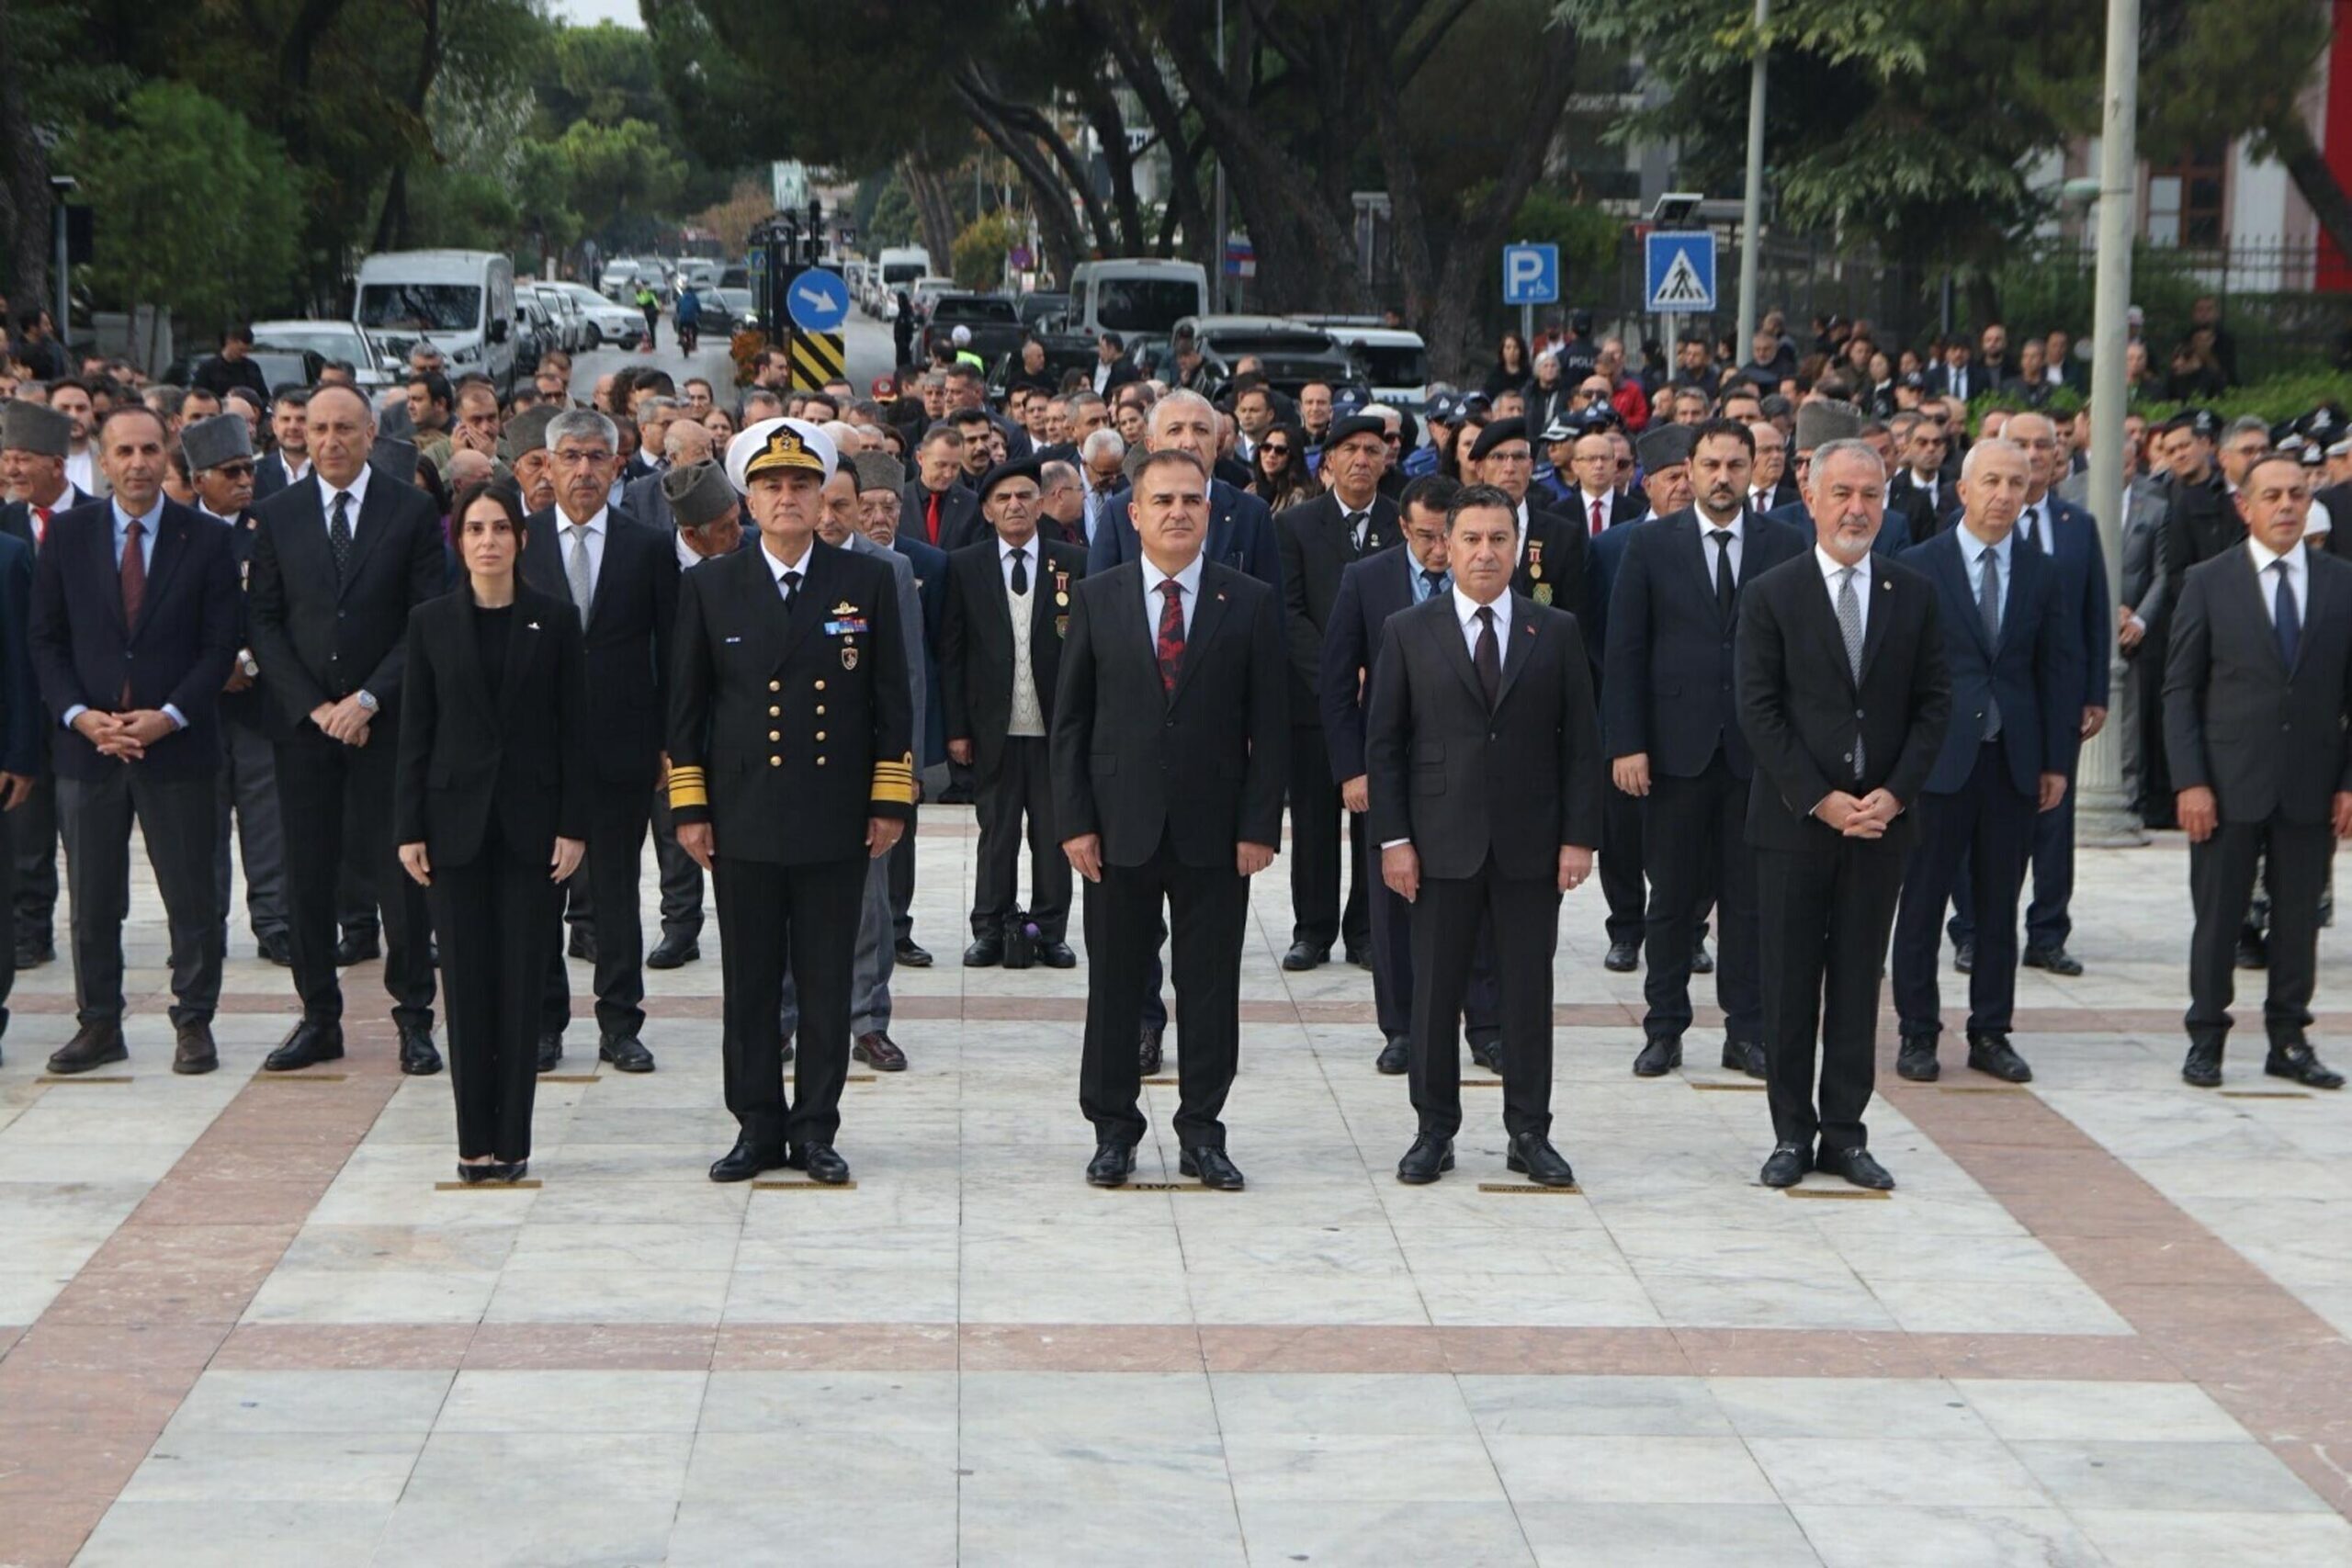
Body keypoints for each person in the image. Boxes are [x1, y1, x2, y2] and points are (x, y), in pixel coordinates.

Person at [670, 419, 914, 1185]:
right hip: (742, 814)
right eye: (772, 486)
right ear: (747, 499)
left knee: (824, 980)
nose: (787, 497)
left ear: (822, 499)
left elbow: (891, 701)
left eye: (802, 485)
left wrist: (889, 801)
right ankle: (755, 1124)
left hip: (833, 812)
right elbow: (685, 709)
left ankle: (815, 1128)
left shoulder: (864, 581)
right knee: (748, 981)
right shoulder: (710, 585)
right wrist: (690, 808)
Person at [1054, 448, 1285, 1190]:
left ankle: (1203, 1131)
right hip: (1117, 829)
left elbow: (1270, 726)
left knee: (1210, 986)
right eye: (1163, 500)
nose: (1178, 512)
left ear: (1210, 514)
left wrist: (1259, 825)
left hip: (1215, 832)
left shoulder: (1246, 600)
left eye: (1192, 500)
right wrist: (1075, 822)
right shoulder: (1098, 595)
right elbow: (1071, 724)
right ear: (1135, 513)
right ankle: (1113, 1129)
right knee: (1117, 986)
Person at [1368, 481, 1604, 1187]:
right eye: (1469, 538)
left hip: (1531, 845)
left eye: (1498, 538)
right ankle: (1433, 1128)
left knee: (1528, 993)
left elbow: (1582, 744)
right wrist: (1394, 839)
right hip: (1438, 844)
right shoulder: (1409, 630)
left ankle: (1529, 1129)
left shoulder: (1553, 629)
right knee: (1435, 993)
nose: (1483, 552)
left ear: (1517, 545)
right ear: (1445, 545)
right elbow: (1386, 744)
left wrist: (1578, 837)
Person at [1736, 439, 1951, 1190]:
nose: (1856, 508)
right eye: (1843, 493)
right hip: (1797, 824)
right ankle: (1792, 1135)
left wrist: (1894, 794)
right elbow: (1758, 711)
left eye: (1870, 494)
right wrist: (1820, 800)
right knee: (1791, 984)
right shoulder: (1772, 592)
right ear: (1814, 498)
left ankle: (1846, 1133)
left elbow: (1934, 707)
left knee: (1858, 983)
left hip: (1881, 824)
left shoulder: (1913, 593)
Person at [29, 406, 239, 1076]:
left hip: (176, 745)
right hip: (87, 749)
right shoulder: (67, 535)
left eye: (151, 449)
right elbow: (46, 639)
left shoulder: (203, 538)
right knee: (92, 897)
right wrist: (77, 715)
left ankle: (194, 1022)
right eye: (125, 451)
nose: (139, 463)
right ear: (102, 455)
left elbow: (218, 647)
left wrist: (170, 713)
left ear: (169, 454)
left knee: (190, 893)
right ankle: (99, 1024)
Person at [246, 384, 447, 1076]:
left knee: (402, 876)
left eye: (342, 429)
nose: (327, 440)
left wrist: (366, 699)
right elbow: (265, 622)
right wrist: (316, 707)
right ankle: (317, 1016)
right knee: (309, 875)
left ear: (370, 435)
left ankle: (415, 1019)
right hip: (305, 732)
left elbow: (425, 617)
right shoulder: (276, 515)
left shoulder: (412, 510)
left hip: (387, 728)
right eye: (315, 428)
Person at [397, 480, 589, 1182]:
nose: (488, 541)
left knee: (520, 989)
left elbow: (575, 732)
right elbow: (414, 732)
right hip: (453, 831)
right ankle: (471, 1140)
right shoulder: (430, 623)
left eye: (500, 528)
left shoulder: (556, 620)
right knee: (469, 992)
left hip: (533, 830)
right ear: (459, 540)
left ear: (521, 539)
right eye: (475, 529)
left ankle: (513, 1142)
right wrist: (408, 826)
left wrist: (574, 825)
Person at [1607, 419, 1808, 1081]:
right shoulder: (1651, 544)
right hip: (1674, 752)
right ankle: (1663, 1026)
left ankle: (1745, 1030)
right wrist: (1627, 744)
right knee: (1670, 897)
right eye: (1712, 464)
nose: (1724, 476)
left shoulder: (1785, 543)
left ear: (1755, 471)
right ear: (1688, 470)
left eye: (1736, 464)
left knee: (1748, 898)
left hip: (1757, 758)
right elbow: (1626, 650)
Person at [1890, 438, 2077, 1085]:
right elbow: (1898, 675)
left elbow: (2057, 668)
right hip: (1938, 763)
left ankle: (1991, 1031)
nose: (2004, 494)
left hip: (2013, 761)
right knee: (1922, 901)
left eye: (2017, 483)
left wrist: (2056, 760)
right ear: (1962, 490)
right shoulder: (1918, 565)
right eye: (1991, 480)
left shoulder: (2041, 571)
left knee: (1999, 903)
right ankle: (1917, 1031)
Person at [2166, 451, 2352, 1091]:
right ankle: (2207, 1038)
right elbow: (2179, 689)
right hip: (2225, 782)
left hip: (2310, 782)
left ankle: (2289, 1038)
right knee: (2218, 917)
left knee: (2299, 917)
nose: (2286, 506)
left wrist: (2349, 782)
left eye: (2298, 494)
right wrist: (2190, 780)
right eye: (2272, 495)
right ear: (2244, 506)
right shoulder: (2208, 581)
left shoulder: (2341, 582)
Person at [514, 409, 675, 1074]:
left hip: (622, 746)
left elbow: (675, 648)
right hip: (533, 751)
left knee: (615, 891)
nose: (583, 470)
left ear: (618, 465)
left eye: (596, 458)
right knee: (538, 894)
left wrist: (669, 741)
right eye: (570, 457)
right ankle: (546, 1022)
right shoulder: (518, 543)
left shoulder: (648, 546)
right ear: (546, 466)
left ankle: (620, 1022)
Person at [1944, 412, 2109, 976]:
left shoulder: (2076, 525)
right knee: (1972, 837)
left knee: (2053, 824)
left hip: (2047, 707)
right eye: (2022, 446)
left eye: (2044, 445)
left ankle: (2047, 931)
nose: (2033, 455)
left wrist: (2095, 692)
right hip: (1973, 719)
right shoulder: (1952, 536)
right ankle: (1971, 930)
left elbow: (2091, 618)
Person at [942, 457, 1087, 967]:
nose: (1015, 505)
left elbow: (1087, 652)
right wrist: (957, 728)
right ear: (986, 510)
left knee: (1054, 833)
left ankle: (1050, 930)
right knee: (996, 832)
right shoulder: (963, 565)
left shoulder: (1073, 561)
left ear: (1043, 503)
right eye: (1002, 498)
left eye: (1025, 495)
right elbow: (953, 653)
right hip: (992, 727)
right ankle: (989, 926)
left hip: (1056, 727)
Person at [1275, 415, 1397, 974]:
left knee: (1375, 819)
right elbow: (1290, 612)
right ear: (1328, 460)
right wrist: (1338, 677)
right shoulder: (1298, 526)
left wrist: (1379, 671)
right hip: (1313, 700)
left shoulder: (1401, 524)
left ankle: (1369, 928)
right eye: (1349, 449)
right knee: (1315, 820)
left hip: (1387, 698)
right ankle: (1313, 928)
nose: (1362, 460)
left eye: (1373, 450)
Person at [182, 414, 291, 966]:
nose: (245, 480)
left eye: (249, 469)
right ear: (198, 479)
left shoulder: (268, 528)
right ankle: (205, 929)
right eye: (231, 472)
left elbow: (281, 610)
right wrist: (211, 668)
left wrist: (246, 659)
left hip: (258, 695)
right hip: (195, 705)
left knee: (265, 816)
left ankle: (274, 921)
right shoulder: (177, 533)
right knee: (200, 823)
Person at [645, 458, 744, 973]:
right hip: (671, 718)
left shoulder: (751, 555)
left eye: (737, 518)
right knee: (674, 826)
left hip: (736, 718)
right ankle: (680, 927)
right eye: (725, 527)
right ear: (691, 533)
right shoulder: (654, 563)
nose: (738, 532)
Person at [190, 325, 271, 407]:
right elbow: (198, 397)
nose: (244, 354)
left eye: (247, 351)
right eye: (241, 350)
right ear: (229, 341)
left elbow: (264, 396)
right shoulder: (208, 368)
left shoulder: (252, 368)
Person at [635, 281, 661, 350]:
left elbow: (644, 302)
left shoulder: (648, 293)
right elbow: (640, 302)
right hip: (649, 312)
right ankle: (649, 343)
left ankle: (651, 344)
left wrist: (657, 309)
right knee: (650, 329)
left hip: (651, 312)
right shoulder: (640, 294)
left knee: (650, 328)